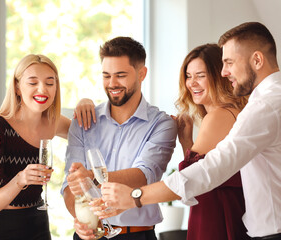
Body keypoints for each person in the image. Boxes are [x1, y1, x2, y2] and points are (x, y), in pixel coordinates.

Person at [100, 22, 281, 239]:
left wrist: (135, 196)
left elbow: (212, 168)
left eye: (229, 62)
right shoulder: (264, 102)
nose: (225, 72)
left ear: (257, 60)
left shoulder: (266, 105)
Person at [62, 36, 177, 240]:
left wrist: (89, 177)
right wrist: (81, 221)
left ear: (142, 74)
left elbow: (143, 175)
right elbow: (70, 185)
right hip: (89, 235)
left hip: (136, 235)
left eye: (120, 75)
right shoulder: (83, 121)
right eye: (106, 75)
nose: (112, 83)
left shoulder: (161, 124)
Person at [0, 54, 73, 240]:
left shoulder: (53, 123)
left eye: (50, 83)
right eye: (33, 83)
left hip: (37, 221)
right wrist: (21, 179)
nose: (42, 89)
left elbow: (90, 137)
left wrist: (86, 104)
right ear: (18, 87)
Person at [173, 43, 249, 239]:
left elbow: (188, 180)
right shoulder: (230, 113)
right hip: (218, 211)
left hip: (216, 217)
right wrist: (186, 142)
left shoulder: (219, 116)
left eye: (200, 75)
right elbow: (202, 174)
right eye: (188, 76)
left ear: (218, 76)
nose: (192, 83)